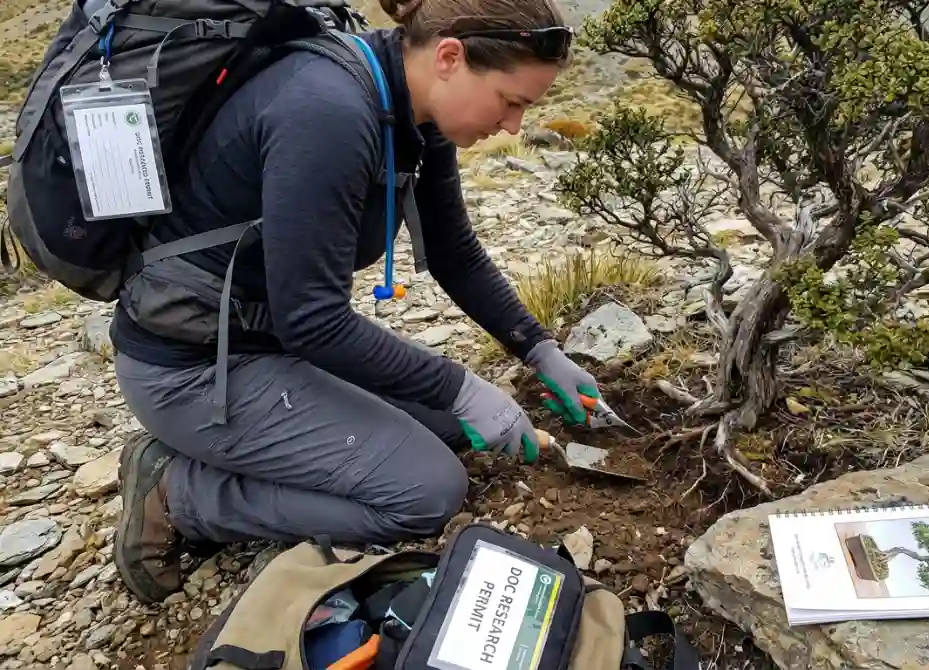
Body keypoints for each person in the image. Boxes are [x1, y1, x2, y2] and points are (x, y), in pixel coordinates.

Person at [108, 0, 603, 605]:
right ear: (450, 56)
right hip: (192, 369)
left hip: (265, 344)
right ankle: (179, 495)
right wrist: (464, 387)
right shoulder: (328, 111)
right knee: (427, 490)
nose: (513, 128)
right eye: (512, 101)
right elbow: (314, 321)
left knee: (450, 428)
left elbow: (455, 253)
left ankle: (228, 457)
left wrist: (537, 348)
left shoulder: (409, 108)